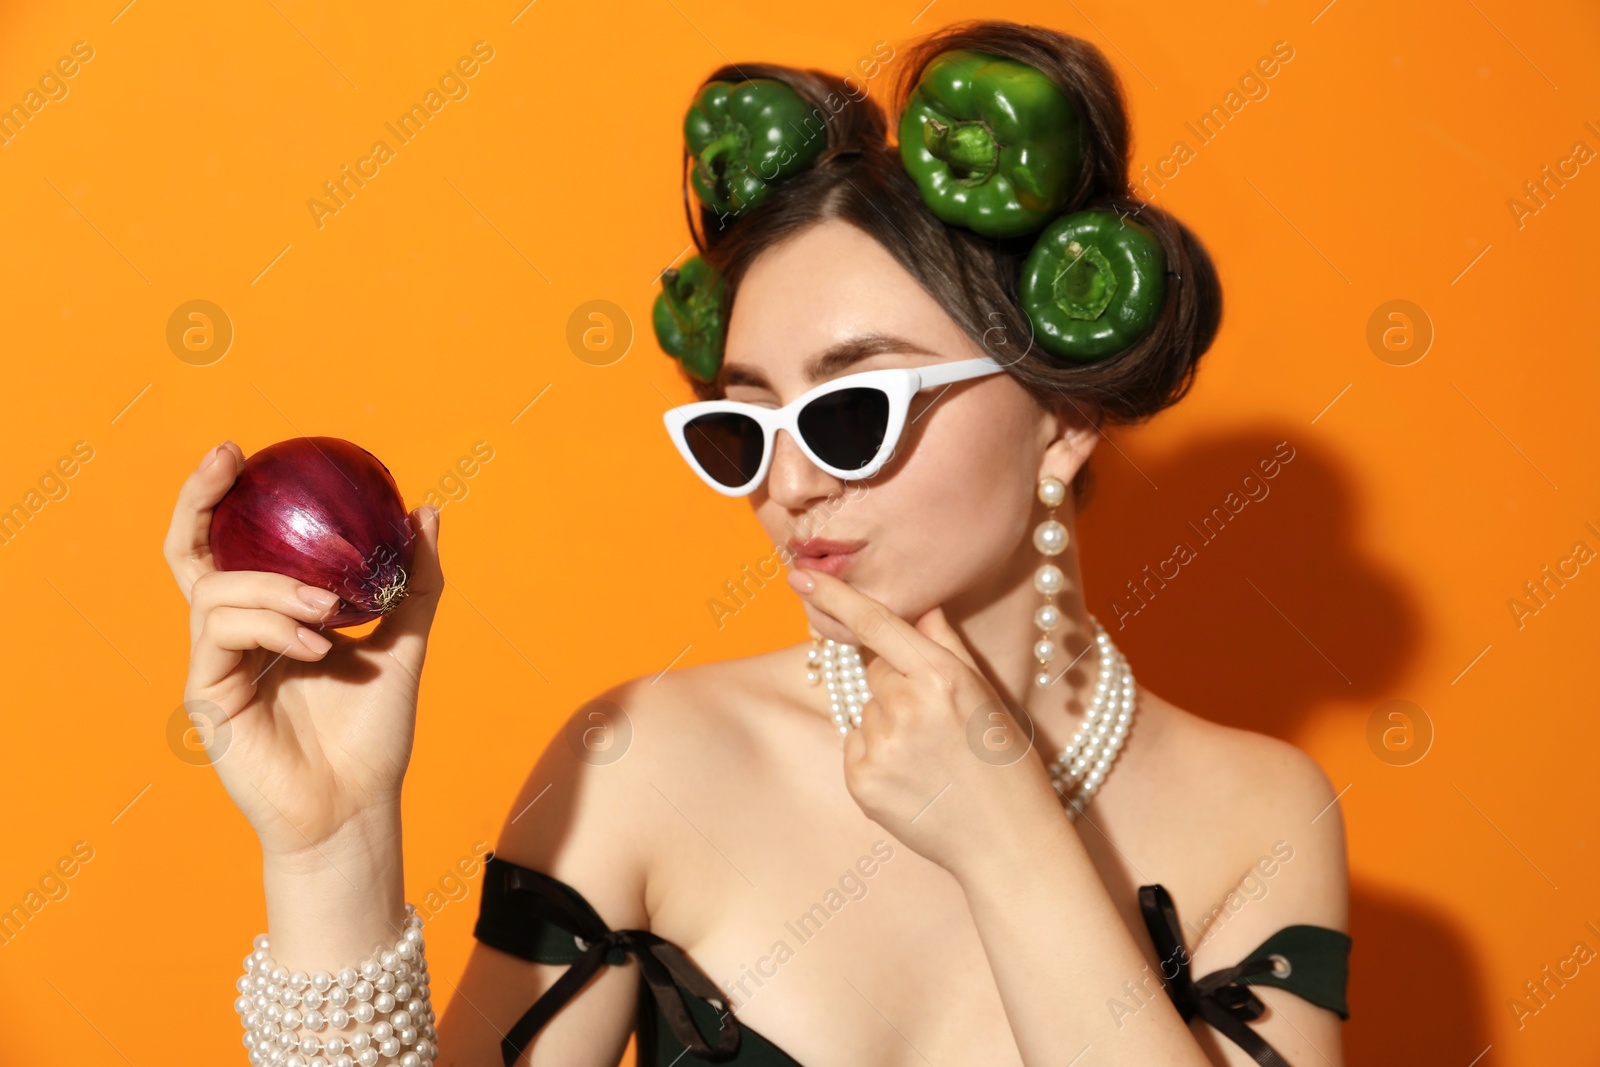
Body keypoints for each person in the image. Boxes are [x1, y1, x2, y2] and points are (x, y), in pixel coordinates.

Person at [170, 18, 1350, 1067]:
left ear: (1064, 418)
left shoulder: (1257, 816)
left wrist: (1011, 840)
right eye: (743, 426)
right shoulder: (639, 759)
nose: (786, 483)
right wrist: (331, 849)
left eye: (851, 408)